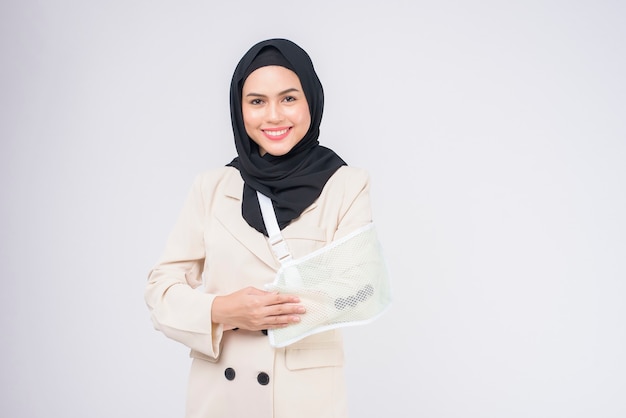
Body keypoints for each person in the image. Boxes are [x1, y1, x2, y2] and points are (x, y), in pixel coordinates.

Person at [145, 38, 376, 418]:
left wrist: (268, 310)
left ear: (311, 101)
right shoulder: (212, 187)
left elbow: (360, 288)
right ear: (239, 109)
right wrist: (223, 310)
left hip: (304, 400)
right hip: (220, 397)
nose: (273, 116)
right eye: (256, 101)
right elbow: (160, 292)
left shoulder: (347, 184)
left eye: (288, 98)